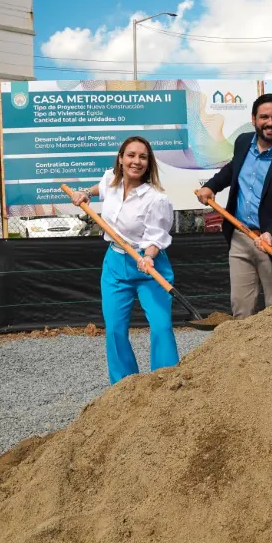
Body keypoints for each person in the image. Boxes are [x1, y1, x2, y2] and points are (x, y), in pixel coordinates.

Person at [196, 92, 272, 318]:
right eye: (264, 117)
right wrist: (212, 186)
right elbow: (233, 168)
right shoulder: (243, 142)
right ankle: (244, 354)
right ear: (253, 119)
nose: (270, 123)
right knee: (241, 309)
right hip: (240, 237)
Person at [71, 136, 179, 384]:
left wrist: (149, 257)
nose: (136, 161)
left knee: (161, 327)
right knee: (115, 330)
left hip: (149, 266)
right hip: (115, 264)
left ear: (148, 162)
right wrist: (85, 193)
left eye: (142, 157)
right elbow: (102, 186)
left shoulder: (156, 199)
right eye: (131, 155)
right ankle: (124, 387)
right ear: (120, 159)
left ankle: (166, 383)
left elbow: (156, 236)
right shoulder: (111, 180)